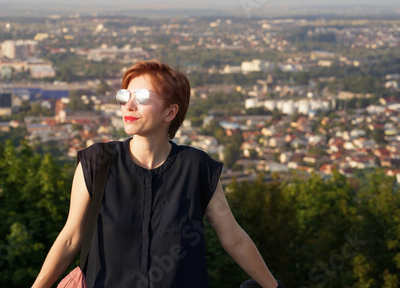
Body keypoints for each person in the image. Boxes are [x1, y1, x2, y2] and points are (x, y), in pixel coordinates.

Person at [32, 60, 281, 288]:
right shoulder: (97, 162)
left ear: (170, 112)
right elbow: (69, 239)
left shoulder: (197, 167)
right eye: (125, 96)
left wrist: (272, 286)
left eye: (141, 97)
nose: (128, 105)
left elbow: (234, 239)